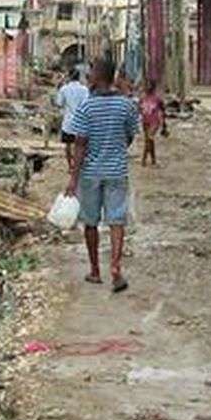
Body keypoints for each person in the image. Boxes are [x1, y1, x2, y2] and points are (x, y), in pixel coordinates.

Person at [66, 57, 140, 293]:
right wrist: (117, 149)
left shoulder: (87, 106)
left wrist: (73, 179)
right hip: (117, 172)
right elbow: (130, 135)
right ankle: (116, 268)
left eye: (92, 71)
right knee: (116, 221)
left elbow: (80, 144)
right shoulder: (126, 105)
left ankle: (95, 270)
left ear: (98, 76)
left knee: (90, 222)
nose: (89, 75)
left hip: (90, 174)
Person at [52, 67, 90, 170]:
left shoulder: (64, 89)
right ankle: (80, 165)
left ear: (69, 76)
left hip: (68, 122)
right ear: (79, 77)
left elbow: (59, 103)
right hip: (81, 121)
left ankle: (70, 165)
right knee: (81, 145)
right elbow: (87, 105)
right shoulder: (84, 89)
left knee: (68, 145)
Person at [139, 78, 166, 167]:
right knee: (149, 141)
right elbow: (139, 108)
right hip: (145, 121)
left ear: (153, 87)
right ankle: (153, 160)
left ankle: (143, 159)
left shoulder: (157, 99)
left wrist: (164, 124)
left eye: (149, 86)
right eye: (146, 85)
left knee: (149, 139)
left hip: (155, 122)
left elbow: (163, 109)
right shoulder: (142, 97)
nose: (148, 87)